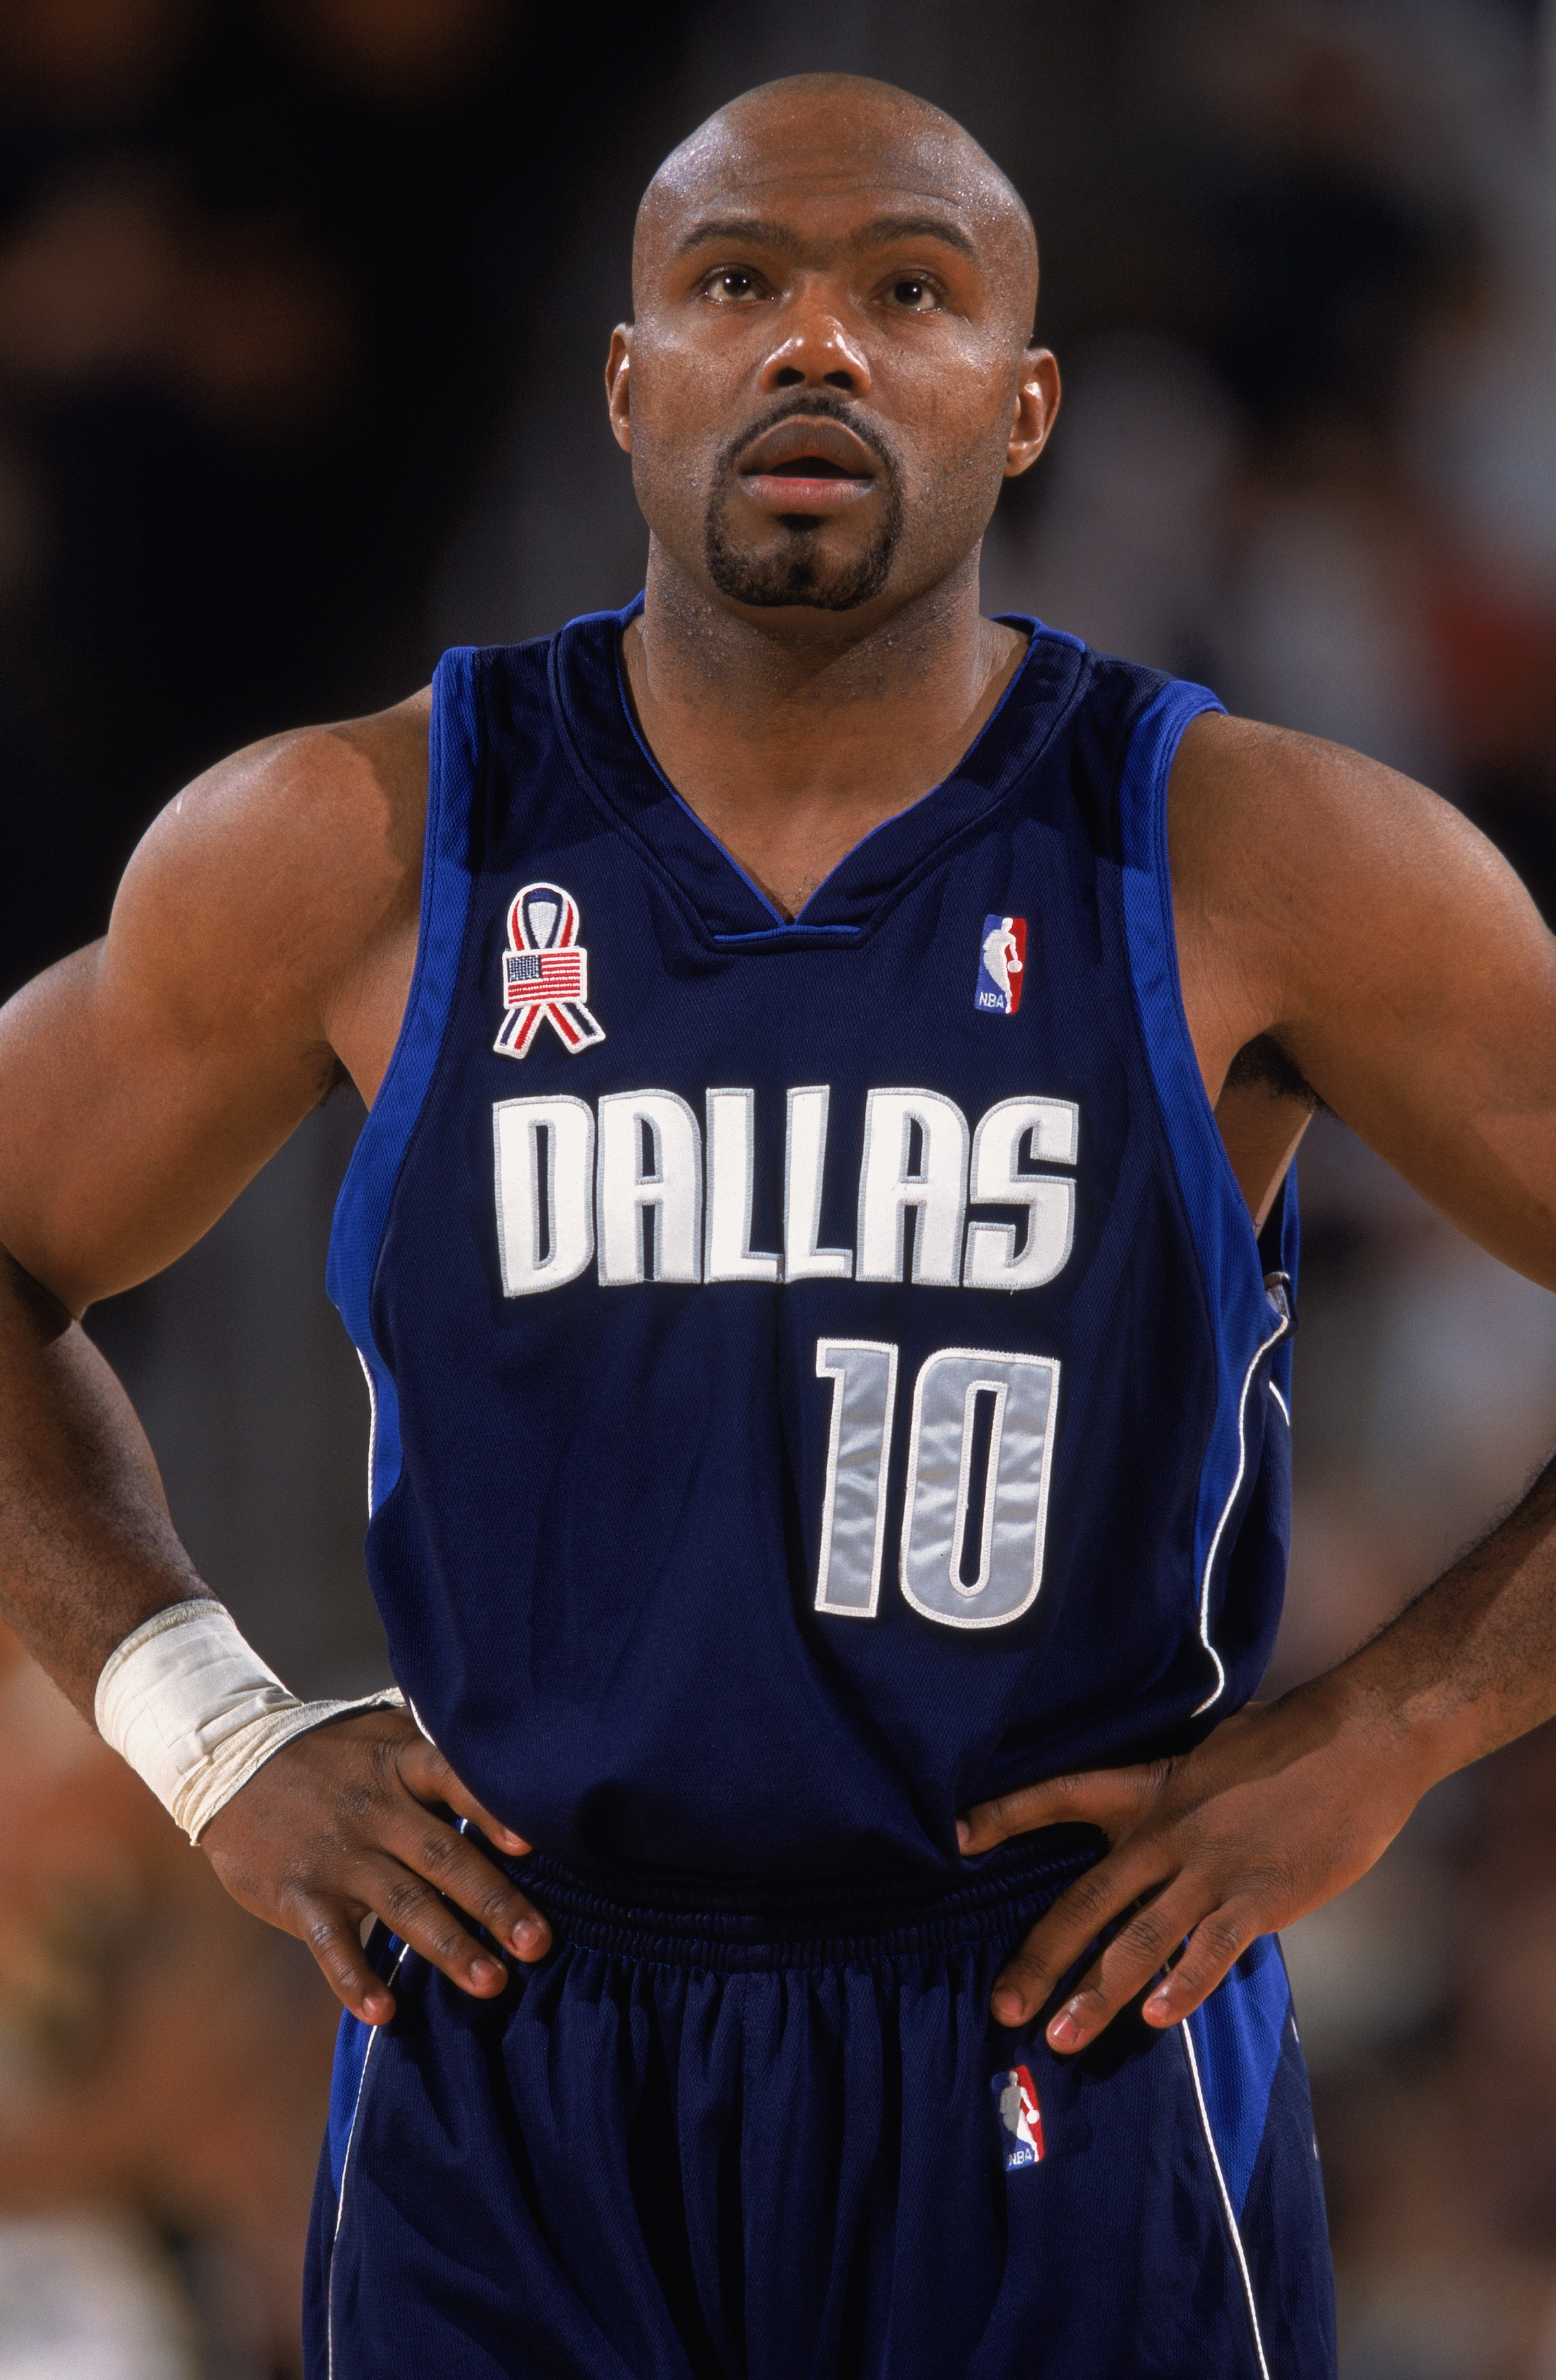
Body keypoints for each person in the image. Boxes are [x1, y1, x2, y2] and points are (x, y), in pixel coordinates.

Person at [1, 69, 1553, 2380]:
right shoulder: (349, 842)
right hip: (522, 2028)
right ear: (629, 384)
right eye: (739, 282)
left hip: (1053, 2004)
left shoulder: (1257, 858)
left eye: (907, 291)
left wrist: (1400, 1727)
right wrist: (203, 1719)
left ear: (1024, 409)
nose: (815, 345)